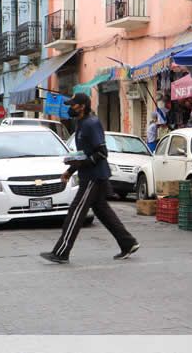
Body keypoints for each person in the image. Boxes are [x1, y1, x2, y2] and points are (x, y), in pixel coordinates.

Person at [41, 93, 139, 264]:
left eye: (73, 105)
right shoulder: (81, 123)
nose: (69, 108)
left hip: (93, 177)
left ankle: (61, 252)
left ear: (82, 106)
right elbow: (83, 154)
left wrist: (81, 165)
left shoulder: (91, 124)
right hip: (92, 175)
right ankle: (128, 243)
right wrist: (70, 170)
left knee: (76, 212)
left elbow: (101, 152)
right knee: (103, 212)